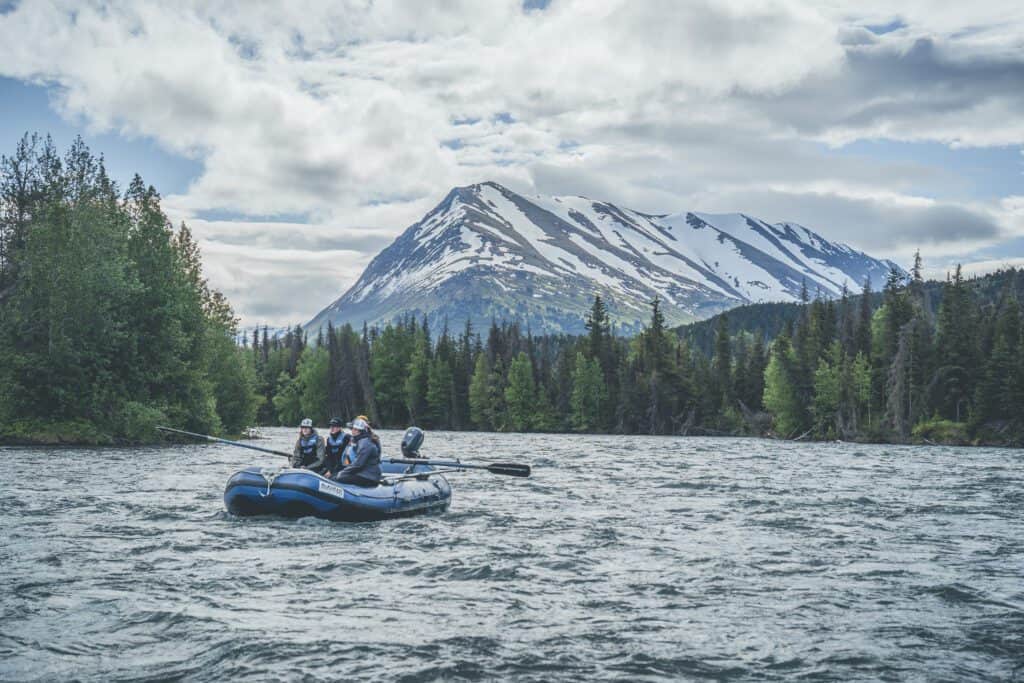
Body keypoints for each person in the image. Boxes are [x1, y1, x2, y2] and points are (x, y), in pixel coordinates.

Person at [333, 417, 381, 487]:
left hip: (369, 477)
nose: (352, 431)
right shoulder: (360, 440)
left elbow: (358, 464)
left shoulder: (365, 443)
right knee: (335, 476)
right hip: (362, 473)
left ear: (359, 431)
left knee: (338, 478)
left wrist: (342, 472)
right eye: (352, 429)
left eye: (354, 429)